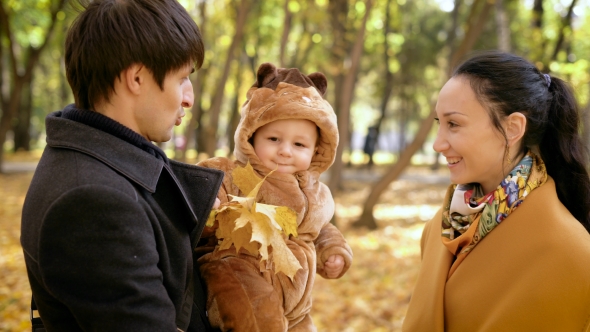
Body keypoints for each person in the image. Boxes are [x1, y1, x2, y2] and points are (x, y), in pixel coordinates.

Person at [20, 1, 223, 331]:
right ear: (138, 78)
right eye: (182, 78)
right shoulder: (92, 202)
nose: (189, 98)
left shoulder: (101, 166)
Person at [403, 51, 590, 331]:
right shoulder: (439, 229)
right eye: (439, 124)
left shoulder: (570, 252)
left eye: (454, 124)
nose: (438, 144)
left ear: (512, 128)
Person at [196, 63, 353, 331]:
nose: (285, 151)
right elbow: (205, 181)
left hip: (296, 306)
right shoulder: (236, 173)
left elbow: (323, 228)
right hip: (240, 271)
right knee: (256, 315)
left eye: (299, 144)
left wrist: (334, 251)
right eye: (274, 139)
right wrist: (207, 201)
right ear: (251, 137)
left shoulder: (317, 193)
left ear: (316, 150)